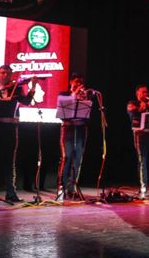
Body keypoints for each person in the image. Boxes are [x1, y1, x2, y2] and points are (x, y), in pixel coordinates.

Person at [0, 65, 36, 204]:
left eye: (8, 73)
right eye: (2, 73)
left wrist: (33, 86)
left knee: (9, 161)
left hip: (10, 127)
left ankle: (11, 193)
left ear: (11, 75)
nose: (5, 75)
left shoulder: (17, 89)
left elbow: (27, 101)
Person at [56, 73, 92, 201]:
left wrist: (82, 98)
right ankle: (61, 188)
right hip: (68, 128)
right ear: (71, 82)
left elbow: (88, 112)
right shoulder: (63, 94)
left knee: (78, 158)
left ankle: (72, 188)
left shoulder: (85, 95)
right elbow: (61, 111)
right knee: (67, 157)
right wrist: (74, 95)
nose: (79, 85)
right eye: (76, 82)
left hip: (81, 128)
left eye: (81, 82)